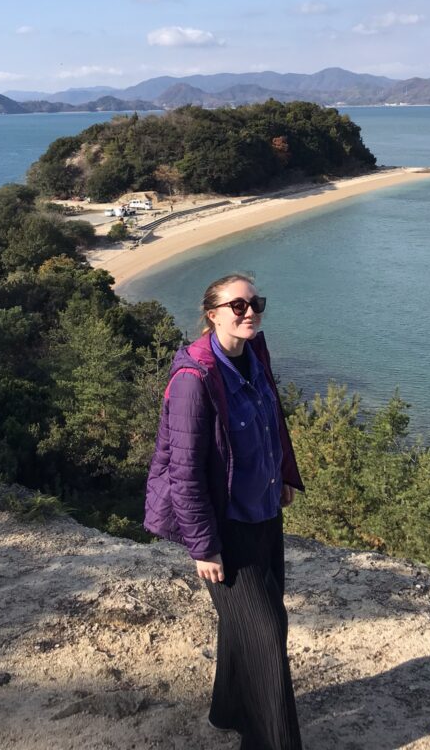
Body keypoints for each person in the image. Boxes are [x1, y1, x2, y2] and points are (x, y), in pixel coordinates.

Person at [144, 273, 305, 750]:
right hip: (225, 527)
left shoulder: (254, 357)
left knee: (253, 625)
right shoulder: (193, 380)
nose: (250, 311)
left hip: (264, 513)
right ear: (212, 315)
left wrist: (283, 474)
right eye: (238, 306)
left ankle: (231, 709)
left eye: (255, 302)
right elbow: (184, 472)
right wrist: (203, 547)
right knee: (267, 635)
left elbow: (271, 423)